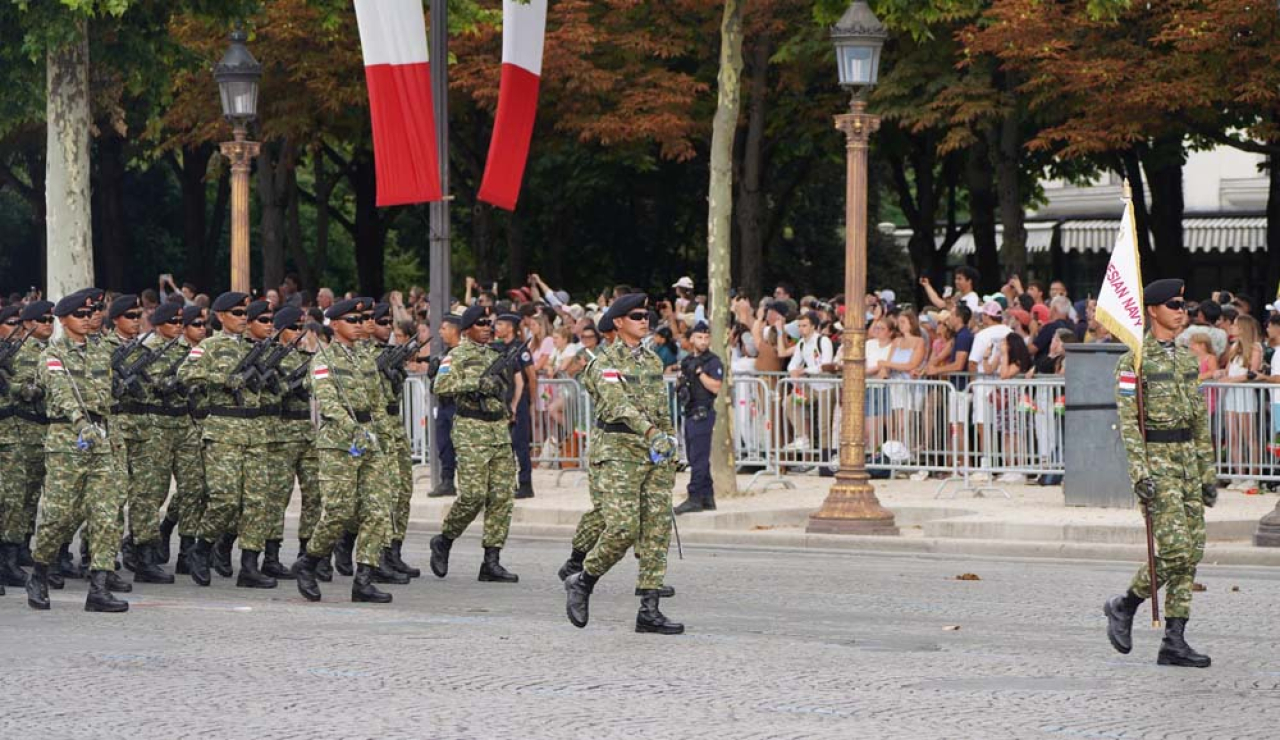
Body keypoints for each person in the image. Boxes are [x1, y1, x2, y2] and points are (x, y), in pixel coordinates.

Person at [1104, 279, 1214, 669]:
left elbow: (1200, 419)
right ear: (1152, 310)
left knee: (1193, 554)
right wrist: (1140, 472)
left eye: (1184, 304)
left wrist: (1207, 470)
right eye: (1173, 304)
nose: (1182, 311)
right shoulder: (1133, 361)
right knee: (1175, 550)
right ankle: (1125, 603)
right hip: (1158, 463)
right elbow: (1129, 422)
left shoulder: (1186, 360)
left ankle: (1175, 640)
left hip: (1186, 462)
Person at [564, 294, 683, 634]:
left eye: (646, 316)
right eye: (636, 316)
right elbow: (618, 406)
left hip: (654, 453)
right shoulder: (603, 362)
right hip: (617, 452)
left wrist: (670, 443)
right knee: (622, 528)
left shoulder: (651, 361)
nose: (644, 321)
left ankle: (649, 610)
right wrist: (651, 433)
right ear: (618, 323)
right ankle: (583, 581)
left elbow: (661, 410)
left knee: (656, 530)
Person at [26, 290, 130, 613]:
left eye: (94, 313)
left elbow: (107, 402)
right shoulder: (52, 355)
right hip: (66, 442)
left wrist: (110, 439)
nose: (89, 320)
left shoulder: (101, 354)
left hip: (101, 443)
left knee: (105, 512)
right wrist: (80, 423)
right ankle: (40, 572)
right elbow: (62, 394)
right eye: (82, 315)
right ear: (63, 319)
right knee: (59, 516)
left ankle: (98, 587)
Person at [291, 297, 395, 603]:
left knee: (377, 509)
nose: (359, 326)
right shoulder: (323, 359)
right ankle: (308, 563)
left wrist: (382, 434)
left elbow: (376, 400)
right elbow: (329, 402)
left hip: (369, 440)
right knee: (339, 511)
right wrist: (353, 429)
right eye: (352, 321)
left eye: (361, 320)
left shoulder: (364, 358)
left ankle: (363, 579)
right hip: (339, 442)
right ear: (334, 325)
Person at [177, 291, 277, 588]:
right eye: (236, 313)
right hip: (223, 430)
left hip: (255, 430)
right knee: (226, 499)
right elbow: (186, 374)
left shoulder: (257, 347)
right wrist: (223, 380)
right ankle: (202, 547)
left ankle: (249, 565)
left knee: (257, 500)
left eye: (246, 313)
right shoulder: (208, 346)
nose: (243, 318)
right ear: (220, 316)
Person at [428, 304, 520, 584]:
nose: (487, 327)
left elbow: (505, 388)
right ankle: (444, 540)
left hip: (497, 429)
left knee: (502, 497)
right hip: (471, 430)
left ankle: (491, 560)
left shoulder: (496, 355)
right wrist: (475, 382)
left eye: (488, 323)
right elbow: (440, 386)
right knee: (473, 496)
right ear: (467, 329)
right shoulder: (456, 356)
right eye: (480, 323)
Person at [124, 300, 189, 585]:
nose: (178, 327)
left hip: (183, 426)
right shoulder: (143, 352)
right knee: (149, 493)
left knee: (192, 487)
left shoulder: (189, 352)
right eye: (172, 322)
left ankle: (155, 542)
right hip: (151, 427)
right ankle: (143, 554)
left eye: (180, 322)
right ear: (159, 324)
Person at [0, 300, 53, 589]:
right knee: (10, 497)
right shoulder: (14, 354)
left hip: (23, 432)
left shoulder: (30, 353)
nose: (17, 330)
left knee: (22, 496)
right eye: (12, 323)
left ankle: (14, 553)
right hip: (14, 430)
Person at [368, 302, 420, 579]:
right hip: (376, 426)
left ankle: (394, 550)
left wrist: (396, 370)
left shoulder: (390, 353)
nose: (387, 326)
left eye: (389, 322)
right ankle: (377, 553)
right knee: (384, 493)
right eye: (381, 321)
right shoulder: (363, 355)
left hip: (394, 424)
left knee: (403, 491)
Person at [674, 322, 724, 514]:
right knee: (695, 457)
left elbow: (715, 387)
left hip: (703, 413)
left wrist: (700, 373)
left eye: (706, 337)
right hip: (689, 410)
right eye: (699, 337)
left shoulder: (712, 362)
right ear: (692, 339)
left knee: (699, 457)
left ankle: (694, 497)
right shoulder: (686, 361)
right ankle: (707, 496)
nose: (703, 341)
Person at [494, 313, 536, 500]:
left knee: (520, 444)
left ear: (510, 327)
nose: (496, 327)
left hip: (519, 400)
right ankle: (509, 483)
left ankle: (526, 484)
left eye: (500, 324)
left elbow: (532, 376)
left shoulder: (520, 348)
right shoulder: (499, 348)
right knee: (505, 445)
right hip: (505, 399)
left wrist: (531, 402)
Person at [427, 313, 461, 498]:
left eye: (444, 328)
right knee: (444, 444)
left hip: (457, 404)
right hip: (444, 403)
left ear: (455, 330)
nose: (440, 332)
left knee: (462, 446)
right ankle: (447, 481)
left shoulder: (463, 353)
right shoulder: (445, 354)